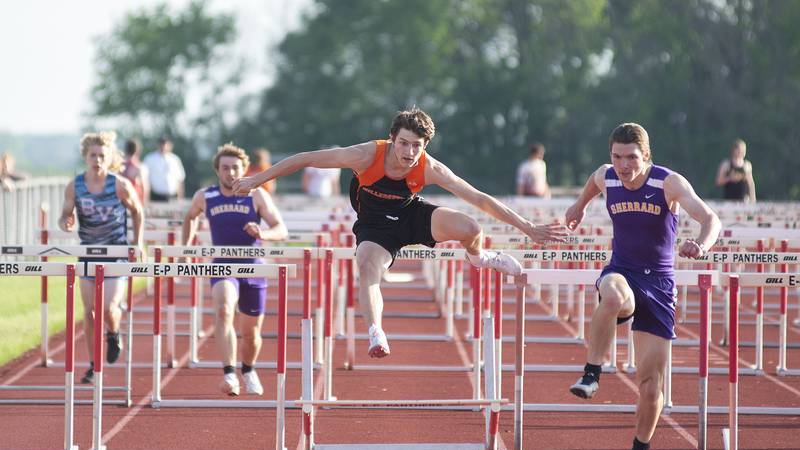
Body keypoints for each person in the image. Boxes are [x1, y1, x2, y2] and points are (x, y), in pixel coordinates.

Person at [235, 107, 569, 359]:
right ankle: (376, 331)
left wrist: (527, 228)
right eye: (404, 144)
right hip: (375, 224)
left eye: (417, 146)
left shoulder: (429, 167)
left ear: (425, 146)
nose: (409, 153)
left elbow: (479, 198)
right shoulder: (367, 154)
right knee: (367, 266)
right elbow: (305, 159)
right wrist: (255, 180)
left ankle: (481, 258)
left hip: (410, 213)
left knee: (471, 227)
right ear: (393, 138)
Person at [565, 123, 721, 450]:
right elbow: (594, 180)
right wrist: (579, 206)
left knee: (651, 385)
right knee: (612, 295)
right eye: (617, 157)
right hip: (622, 270)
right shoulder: (608, 176)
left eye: (631, 157)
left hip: (660, 285)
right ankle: (592, 373)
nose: (623, 165)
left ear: (646, 155)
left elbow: (710, 218)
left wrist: (701, 244)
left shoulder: (668, 182)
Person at [182, 143, 288, 396]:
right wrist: (186, 250)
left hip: (253, 267)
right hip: (222, 265)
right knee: (223, 309)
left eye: (235, 168)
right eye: (225, 168)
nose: (230, 173)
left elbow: (281, 229)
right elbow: (190, 217)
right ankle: (229, 373)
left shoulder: (257, 195)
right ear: (217, 171)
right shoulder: (204, 196)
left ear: (244, 169)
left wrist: (263, 232)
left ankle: (248, 370)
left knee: (251, 333)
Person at [57, 131, 145, 384]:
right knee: (89, 311)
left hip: (115, 252)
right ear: (85, 157)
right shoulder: (75, 185)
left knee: (108, 308)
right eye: (92, 155)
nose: (96, 159)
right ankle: (94, 365)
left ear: (109, 159)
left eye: (101, 156)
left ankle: (114, 332)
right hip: (87, 253)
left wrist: (137, 243)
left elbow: (138, 212)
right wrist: (67, 223)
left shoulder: (119, 184)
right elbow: (64, 216)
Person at [143, 136, 186, 202]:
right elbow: (145, 180)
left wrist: (180, 199)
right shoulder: (149, 159)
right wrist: (146, 199)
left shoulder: (175, 159)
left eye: (165, 144)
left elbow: (180, 180)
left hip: (172, 196)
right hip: (155, 196)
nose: (163, 147)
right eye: (161, 144)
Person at [715, 138, 756, 203]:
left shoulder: (747, 165)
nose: (742, 152)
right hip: (728, 200)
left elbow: (751, 184)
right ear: (734, 150)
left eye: (743, 150)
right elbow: (718, 181)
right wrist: (730, 178)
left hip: (743, 200)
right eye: (739, 150)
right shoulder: (726, 164)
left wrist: (753, 198)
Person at [120, 138, 150, 206]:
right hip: (135, 202)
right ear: (137, 150)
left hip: (121, 201)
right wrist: (144, 203)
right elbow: (144, 187)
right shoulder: (139, 167)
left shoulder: (119, 165)